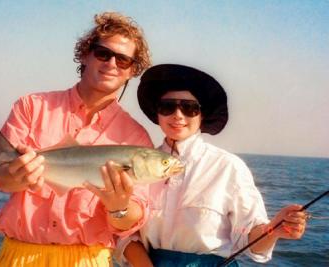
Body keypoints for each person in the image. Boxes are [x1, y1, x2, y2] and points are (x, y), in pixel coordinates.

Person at [0, 12, 153, 266]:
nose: (111, 63)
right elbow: (3, 179)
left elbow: (132, 219)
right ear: (86, 54)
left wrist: (119, 207)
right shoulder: (32, 107)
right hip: (20, 256)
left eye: (123, 60)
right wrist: (17, 174)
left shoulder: (135, 137)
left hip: (87, 260)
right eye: (103, 53)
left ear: (131, 71)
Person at [116, 64, 308, 266]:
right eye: (168, 106)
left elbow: (252, 241)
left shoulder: (228, 167)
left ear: (202, 115)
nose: (178, 115)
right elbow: (125, 235)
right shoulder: (136, 166)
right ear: (158, 113)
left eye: (189, 108)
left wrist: (274, 229)